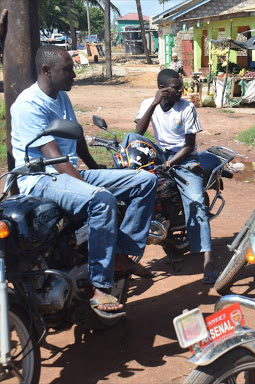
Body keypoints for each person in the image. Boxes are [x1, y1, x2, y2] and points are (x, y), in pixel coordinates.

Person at [10, 45, 158, 317]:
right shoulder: (28, 105)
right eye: (67, 69)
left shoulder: (61, 96)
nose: (74, 74)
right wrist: (91, 187)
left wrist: (93, 167)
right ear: (46, 70)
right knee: (102, 200)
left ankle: (120, 253)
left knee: (144, 181)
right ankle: (100, 286)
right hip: (41, 178)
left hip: (66, 171)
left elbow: (76, 138)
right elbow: (55, 158)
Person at [135, 69, 217, 284]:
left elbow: (189, 146)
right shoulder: (148, 104)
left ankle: (208, 260)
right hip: (159, 152)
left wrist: (169, 164)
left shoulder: (187, 107)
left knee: (196, 203)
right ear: (162, 89)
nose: (181, 90)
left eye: (180, 86)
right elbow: (137, 133)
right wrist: (153, 105)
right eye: (176, 87)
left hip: (184, 157)